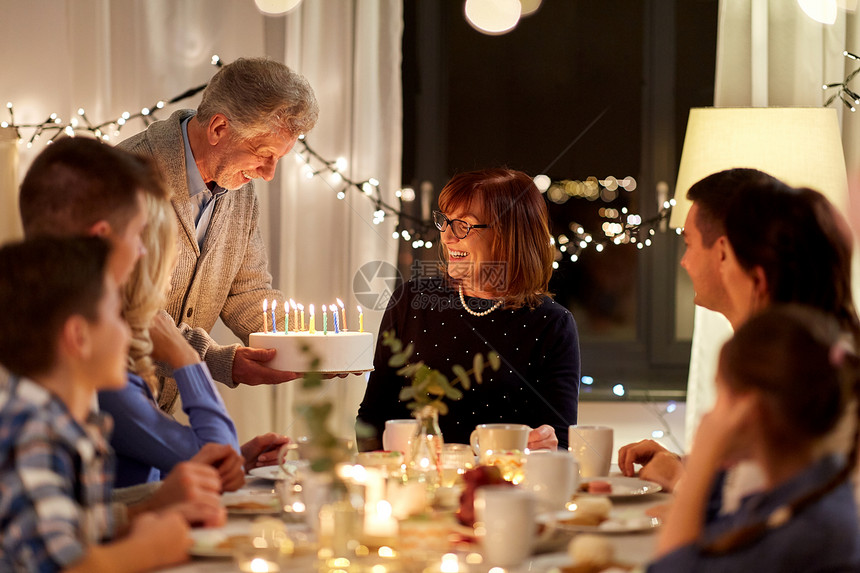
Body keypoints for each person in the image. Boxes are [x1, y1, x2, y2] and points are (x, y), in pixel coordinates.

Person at [17, 136, 234, 516]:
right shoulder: (87, 360)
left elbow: (82, 515)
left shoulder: (43, 334)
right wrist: (187, 358)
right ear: (101, 240)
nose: (142, 252)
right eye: (138, 236)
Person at [620, 176, 860, 495]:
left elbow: (760, 511)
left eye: (689, 243)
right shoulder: (799, 354)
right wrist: (687, 464)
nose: (683, 261)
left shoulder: (795, 375)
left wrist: (683, 481)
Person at [118, 57, 320, 410]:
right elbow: (128, 308)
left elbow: (247, 290)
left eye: (278, 159)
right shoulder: (126, 177)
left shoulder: (240, 189)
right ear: (218, 129)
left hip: (159, 409)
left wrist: (305, 346)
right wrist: (216, 359)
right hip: (100, 408)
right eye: (263, 154)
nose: (269, 173)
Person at [0, 237, 191, 572]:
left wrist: (152, 512)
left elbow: (74, 529)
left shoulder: (66, 423)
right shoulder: (30, 430)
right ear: (79, 337)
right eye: (116, 315)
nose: (128, 332)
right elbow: (65, 566)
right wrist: (153, 548)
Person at [357, 168, 580, 451]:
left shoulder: (553, 323)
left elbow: (558, 440)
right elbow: (371, 419)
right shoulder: (411, 298)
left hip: (500, 488)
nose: (447, 237)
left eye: (463, 225)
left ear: (508, 235)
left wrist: (548, 443)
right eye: (445, 221)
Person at [648, 305, 860, 572]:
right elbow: (715, 536)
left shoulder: (805, 532)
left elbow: (669, 568)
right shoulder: (799, 491)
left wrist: (705, 453)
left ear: (751, 410)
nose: (711, 414)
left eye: (720, 393)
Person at [99, 191, 289, 487]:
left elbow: (165, 463)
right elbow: (217, 457)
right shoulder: (112, 386)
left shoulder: (124, 375)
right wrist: (186, 356)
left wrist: (238, 461)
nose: (176, 268)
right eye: (169, 252)